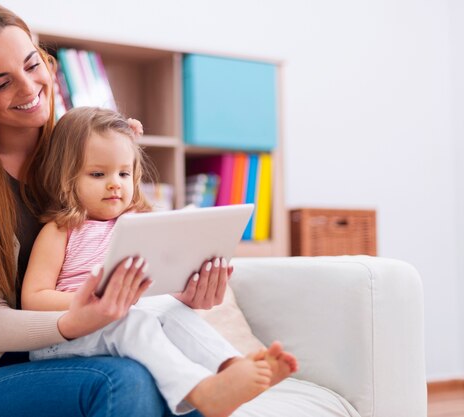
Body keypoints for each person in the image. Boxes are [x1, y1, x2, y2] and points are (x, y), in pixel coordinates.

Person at [0, 3, 235, 416]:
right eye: (0, 83)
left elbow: (135, 250)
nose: (28, 89)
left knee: (186, 383)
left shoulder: (86, 151)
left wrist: (182, 292)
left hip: (93, 344)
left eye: (32, 65)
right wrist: (74, 320)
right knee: (127, 379)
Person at [21, 106, 299, 417]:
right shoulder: (60, 230)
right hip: (62, 341)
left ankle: (232, 367)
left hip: (119, 321)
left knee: (171, 310)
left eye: (124, 173)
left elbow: (153, 294)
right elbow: (32, 299)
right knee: (130, 320)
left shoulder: (137, 225)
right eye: (98, 174)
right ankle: (200, 390)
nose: (115, 184)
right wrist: (89, 304)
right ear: (65, 177)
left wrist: (183, 291)